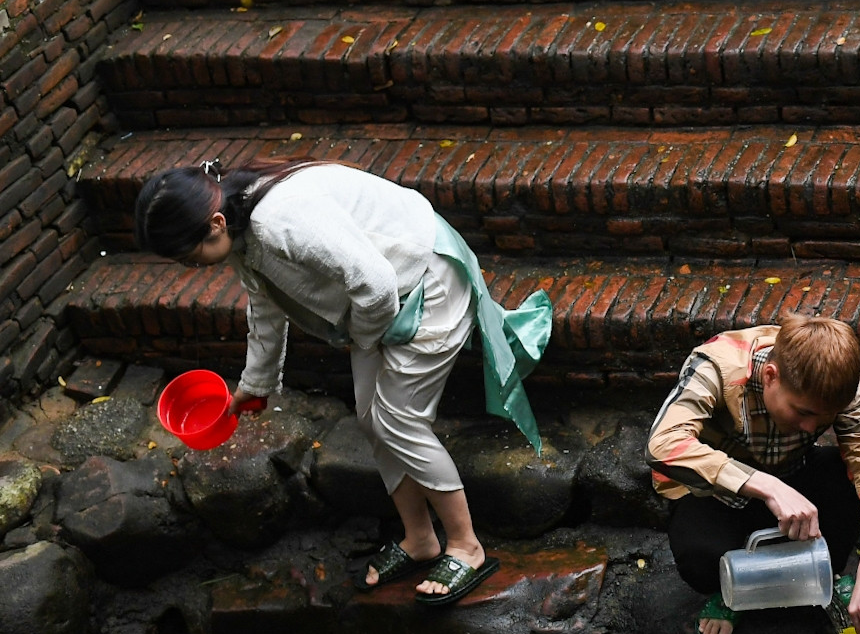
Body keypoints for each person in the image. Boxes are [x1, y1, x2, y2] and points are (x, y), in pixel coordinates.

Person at [133, 159, 550, 604]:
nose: (186, 266)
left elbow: (374, 282)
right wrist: (255, 383)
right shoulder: (240, 229)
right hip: (380, 304)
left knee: (399, 422)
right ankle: (419, 539)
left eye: (185, 254)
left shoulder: (279, 222)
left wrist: (364, 340)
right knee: (371, 420)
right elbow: (265, 305)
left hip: (425, 283)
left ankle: (467, 547)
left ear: (215, 222)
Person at [645, 314, 860, 634]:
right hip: (718, 494)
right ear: (770, 376)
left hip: (793, 479)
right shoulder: (717, 365)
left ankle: (824, 577)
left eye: (822, 419)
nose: (811, 428)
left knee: (852, 484)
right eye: (803, 413)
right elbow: (662, 444)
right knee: (698, 558)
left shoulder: (840, 383)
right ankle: (733, 592)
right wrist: (766, 486)